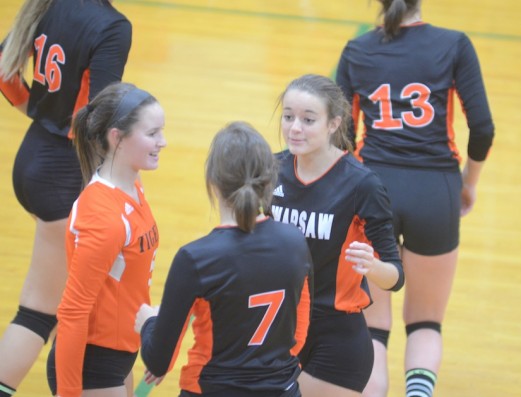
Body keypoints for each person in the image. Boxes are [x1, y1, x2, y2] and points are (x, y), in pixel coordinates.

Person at [335, 1, 495, 396]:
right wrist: (468, 184)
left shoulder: (358, 50)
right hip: (435, 193)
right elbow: (483, 129)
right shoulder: (454, 44)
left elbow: (340, 136)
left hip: (372, 190)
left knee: (371, 326)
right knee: (425, 324)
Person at [0, 0, 132, 395]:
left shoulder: (49, 4)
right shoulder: (113, 25)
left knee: (83, 307)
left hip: (35, 154)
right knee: (42, 311)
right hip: (65, 170)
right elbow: (103, 116)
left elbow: (5, 70)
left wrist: (37, 111)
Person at [134, 121, 313, 397]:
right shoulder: (295, 242)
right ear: (268, 180)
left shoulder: (195, 258)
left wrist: (148, 322)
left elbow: (158, 360)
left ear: (213, 183)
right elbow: (299, 333)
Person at [270, 74, 404, 397]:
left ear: (334, 124)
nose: (295, 128)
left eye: (308, 119)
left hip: (335, 337)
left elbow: (396, 276)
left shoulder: (362, 185)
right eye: (288, 117)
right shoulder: (271, 170)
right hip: (279, 327)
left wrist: (372, 267)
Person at [44, 82, 166, 397]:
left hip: (120, 353)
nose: (162, 142)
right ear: (117, 138)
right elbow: (72, 312)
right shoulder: (104, 219)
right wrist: (69, 393)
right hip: (92, 365)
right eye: (152, 134)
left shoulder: (132, 185)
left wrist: (155, 339)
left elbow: (128, 282)